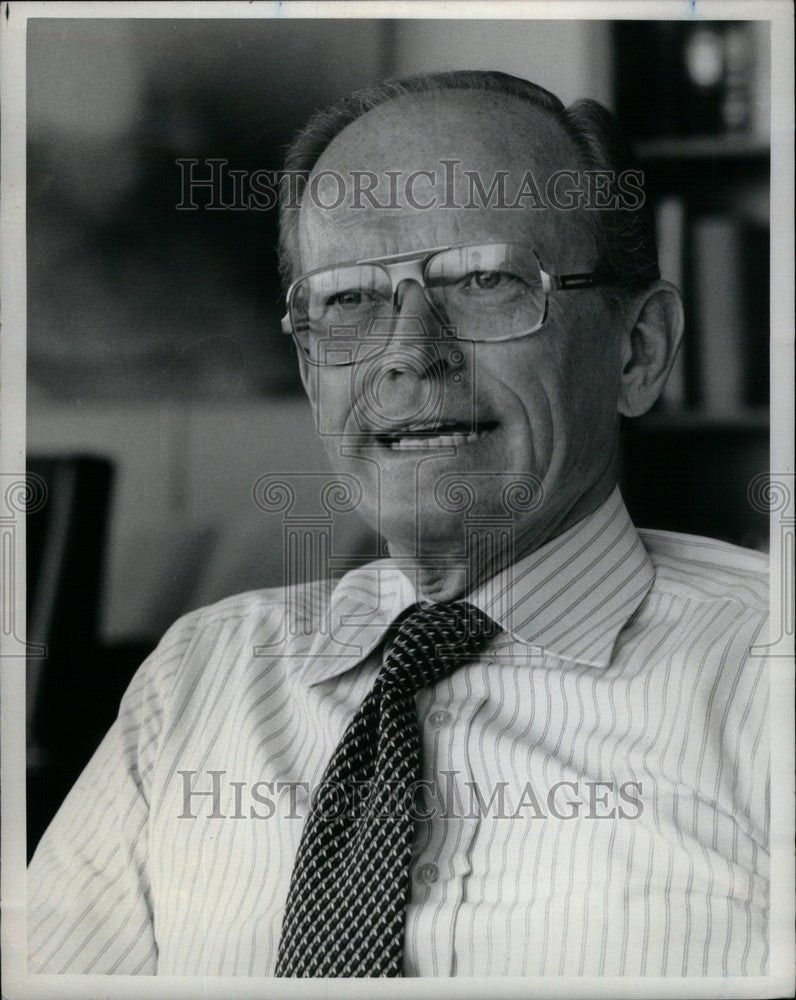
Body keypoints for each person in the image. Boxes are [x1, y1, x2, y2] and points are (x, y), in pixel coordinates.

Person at [28, 70, 769, 978]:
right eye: (348, 300)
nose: (411, 355)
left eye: (488, 280)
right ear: (311, 376)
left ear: (638, 350)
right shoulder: (196, 678)